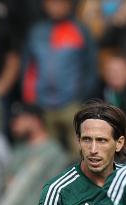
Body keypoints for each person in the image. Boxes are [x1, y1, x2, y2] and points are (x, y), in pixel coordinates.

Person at [20, 0, 98, 150]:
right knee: (47, 155)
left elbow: (91, 67)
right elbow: (27, 66)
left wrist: (82, 98)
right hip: (42, 105)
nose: (56, 6)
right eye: (52, 3)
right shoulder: (36, 31)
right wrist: (31, 101)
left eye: (60, 2)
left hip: (72, 104)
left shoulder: (80, 29)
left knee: (81, 153)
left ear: (69, 5)